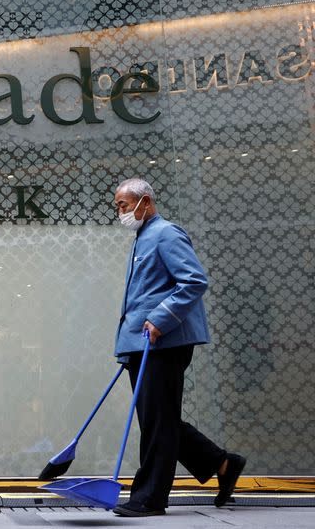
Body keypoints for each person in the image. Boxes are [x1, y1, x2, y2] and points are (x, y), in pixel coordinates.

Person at [111, 178, 246, 517]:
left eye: (123, 205)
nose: (120, 212)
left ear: (145, 202)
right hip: (142, 344)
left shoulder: (167, 233)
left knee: (158, 421)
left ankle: (150, 498)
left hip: (163, 342)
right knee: (161, 419)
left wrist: (160, 319)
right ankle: (223, 463)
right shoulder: (144, 237)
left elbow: (194, 280)